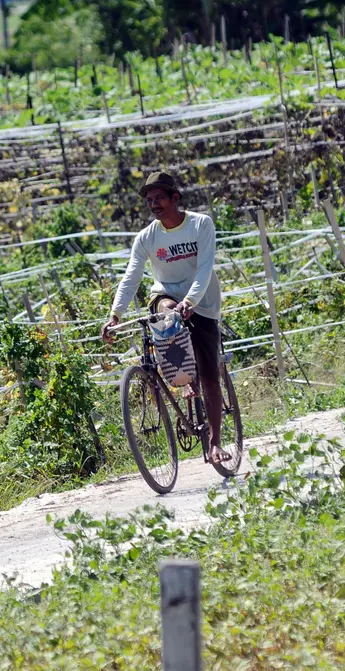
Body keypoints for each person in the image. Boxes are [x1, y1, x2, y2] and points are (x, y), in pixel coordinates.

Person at [101, 171, 229, 464]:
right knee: (168, 313)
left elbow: (205, 267)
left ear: (175, 198)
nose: (153, 204)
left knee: (210, 376)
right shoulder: (146, 237)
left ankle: (215, 443)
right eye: (149, 199)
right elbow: (131, 276)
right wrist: (115, 315)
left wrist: (192, 301)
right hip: (167, 296)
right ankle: (184, 379)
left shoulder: (200, 224)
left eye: (159, 198)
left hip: (204, 302)